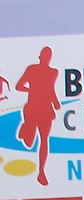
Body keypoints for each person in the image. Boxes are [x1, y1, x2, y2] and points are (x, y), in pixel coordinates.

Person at [15, 48, 59, 186]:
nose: (47, 58)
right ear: (40, 57)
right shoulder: (32, 69)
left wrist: (56, 102)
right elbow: (19, 86)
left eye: (49, 56)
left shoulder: (53, 72)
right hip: (32, 108)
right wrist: (32, 90)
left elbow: (51, 89)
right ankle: (25, 129)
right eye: (45, 56)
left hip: (46, 110)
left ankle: (41, 172)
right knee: (29, 143)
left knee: (44, 139)